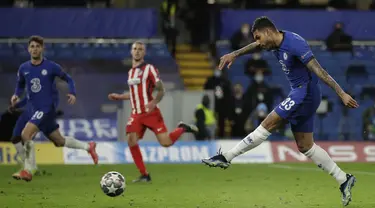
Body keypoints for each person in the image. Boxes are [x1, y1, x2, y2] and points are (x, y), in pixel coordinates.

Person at [202, 16, 358, 206]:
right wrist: (234, 54)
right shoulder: (273, 42)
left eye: (258, 37)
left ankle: (227, 157)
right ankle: (344, 179)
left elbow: (320, 71)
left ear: (268, 32)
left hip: (305, 92)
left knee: (268, 123)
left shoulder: (295, 44)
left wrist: (341, 93)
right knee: (305, 146)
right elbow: (254, 46)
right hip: (301, 92)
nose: (257, 42)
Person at [10, 35, 98, 182]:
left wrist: (72, 92)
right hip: (34, 109)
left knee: (26, 134)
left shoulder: (51, 67)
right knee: (59, 141)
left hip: (46, 108)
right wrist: (16, 95)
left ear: (43, 48)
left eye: (38, 46)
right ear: (28, 49)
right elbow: (20, 85)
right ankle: (88, 147)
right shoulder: (23, 68)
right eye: (32, 46)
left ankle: (28, 170)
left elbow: (68, 79)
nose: (35, 49)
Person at [108, 41, 198, 183]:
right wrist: (119, 97)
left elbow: (161, 89)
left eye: (140, 49)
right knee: (131, 140)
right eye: (135, 49)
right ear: (131, 52)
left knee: (166, 142)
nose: (137, 51)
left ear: (144, 53)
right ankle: (145, 175)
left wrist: (153, 102)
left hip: (151, 113)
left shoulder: (149, 69)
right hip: (136, 113)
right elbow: (134, 94)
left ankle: (181, 128)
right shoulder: (130, 72)